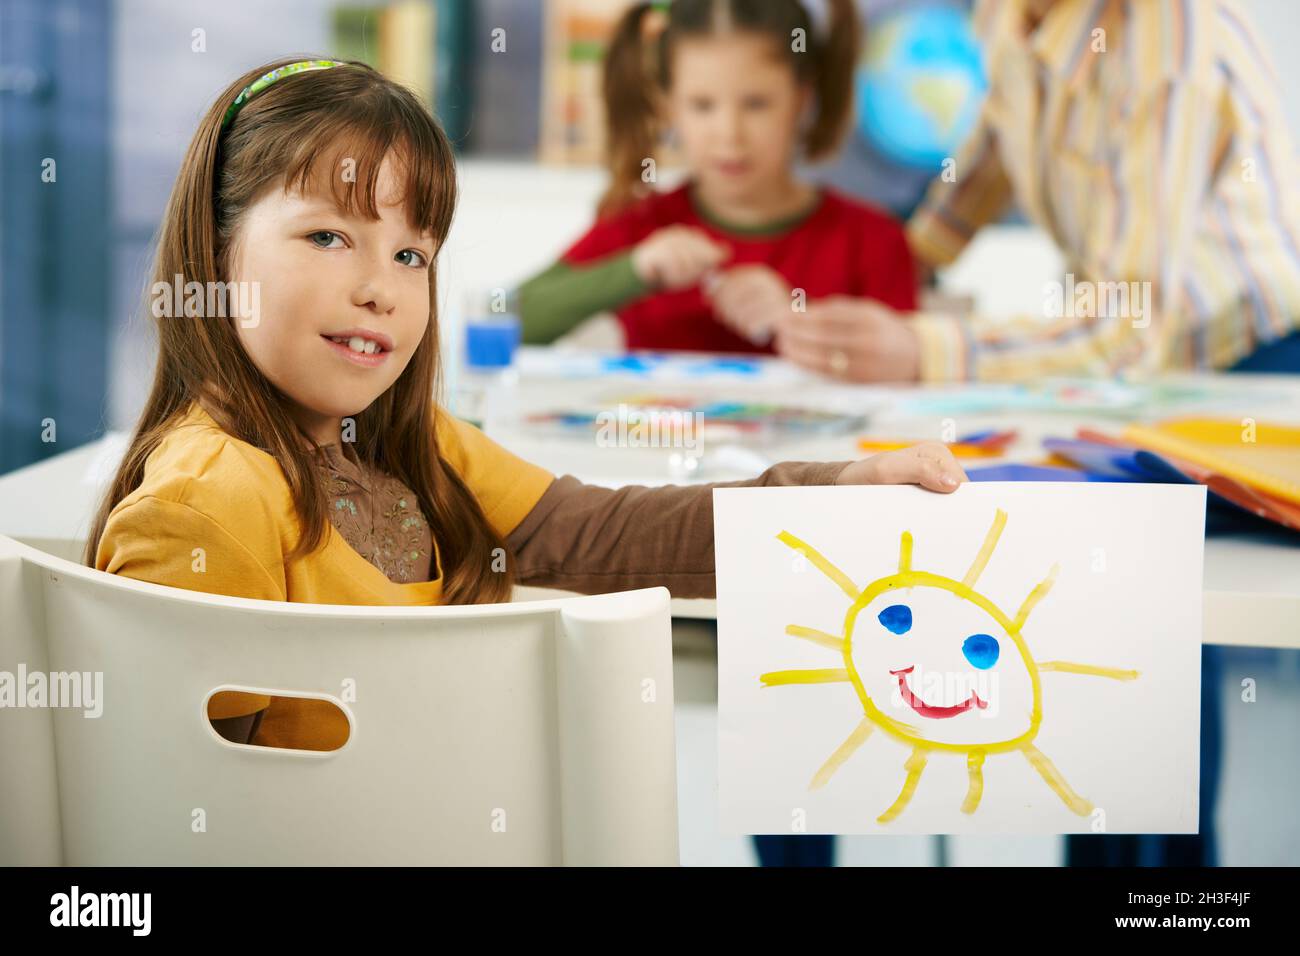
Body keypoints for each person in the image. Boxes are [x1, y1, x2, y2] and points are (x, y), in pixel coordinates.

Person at [85, 58, 966, 760]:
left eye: (411, 255)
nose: (378, 289)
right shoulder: (208, 504)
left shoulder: (414, 447)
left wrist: (837, 490)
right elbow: (170, 811)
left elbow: (609, 535)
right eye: (327, 236)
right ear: (215, 244)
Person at [774, 0, 1300, 382]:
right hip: (1150, 361)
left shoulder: (1170, 57)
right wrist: (900, 265)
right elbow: (1000, 134)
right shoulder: (1011, 12)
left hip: (1251, 358)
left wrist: (920, 350)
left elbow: (1127, 330)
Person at [515, 0, 917, 364]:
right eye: (702, 105)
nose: (729, 134)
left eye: (756, 104)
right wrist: (636, 271)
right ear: (669, 107)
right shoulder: (644, 229)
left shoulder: (873, 240)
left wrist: (798, 320)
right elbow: (505, 320)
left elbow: (910, 372)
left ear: (802, 98)